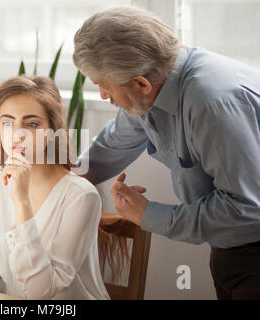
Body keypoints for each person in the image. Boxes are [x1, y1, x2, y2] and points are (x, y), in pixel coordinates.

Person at [73, 6, 260, 299]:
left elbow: (247, 209)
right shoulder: (150, 87)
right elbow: (114, 142)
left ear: (140, 84)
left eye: (103, 85)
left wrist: (148, 214)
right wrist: (58, 179)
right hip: (229, 247)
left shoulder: (211, 102)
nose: (103, 96)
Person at [0, 75, 110, 300]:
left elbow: (42, 292)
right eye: (7, 122)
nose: (17, 134)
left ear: (52, 131)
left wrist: (21, 202)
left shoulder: (82, 196)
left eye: (31, 124)